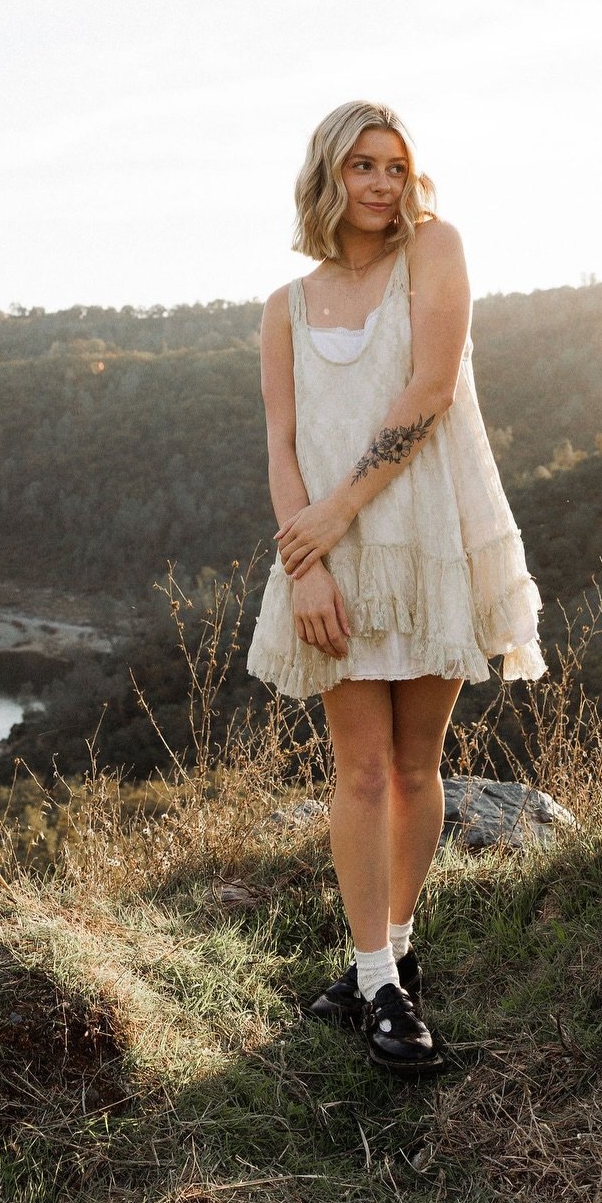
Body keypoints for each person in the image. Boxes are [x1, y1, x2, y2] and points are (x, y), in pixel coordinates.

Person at [246, 100, 547, 1077]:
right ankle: (378, 985)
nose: (381, 184)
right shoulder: (284, 307)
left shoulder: (436, 251)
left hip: (426, 541)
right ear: (327, 176)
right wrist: (308, 562)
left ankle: (390, 960)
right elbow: (281, 445)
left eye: (395, 166)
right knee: (360, 771)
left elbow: (430, 389)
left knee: (420, 770)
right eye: (361, 166)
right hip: (330, 564)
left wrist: (341, 512)